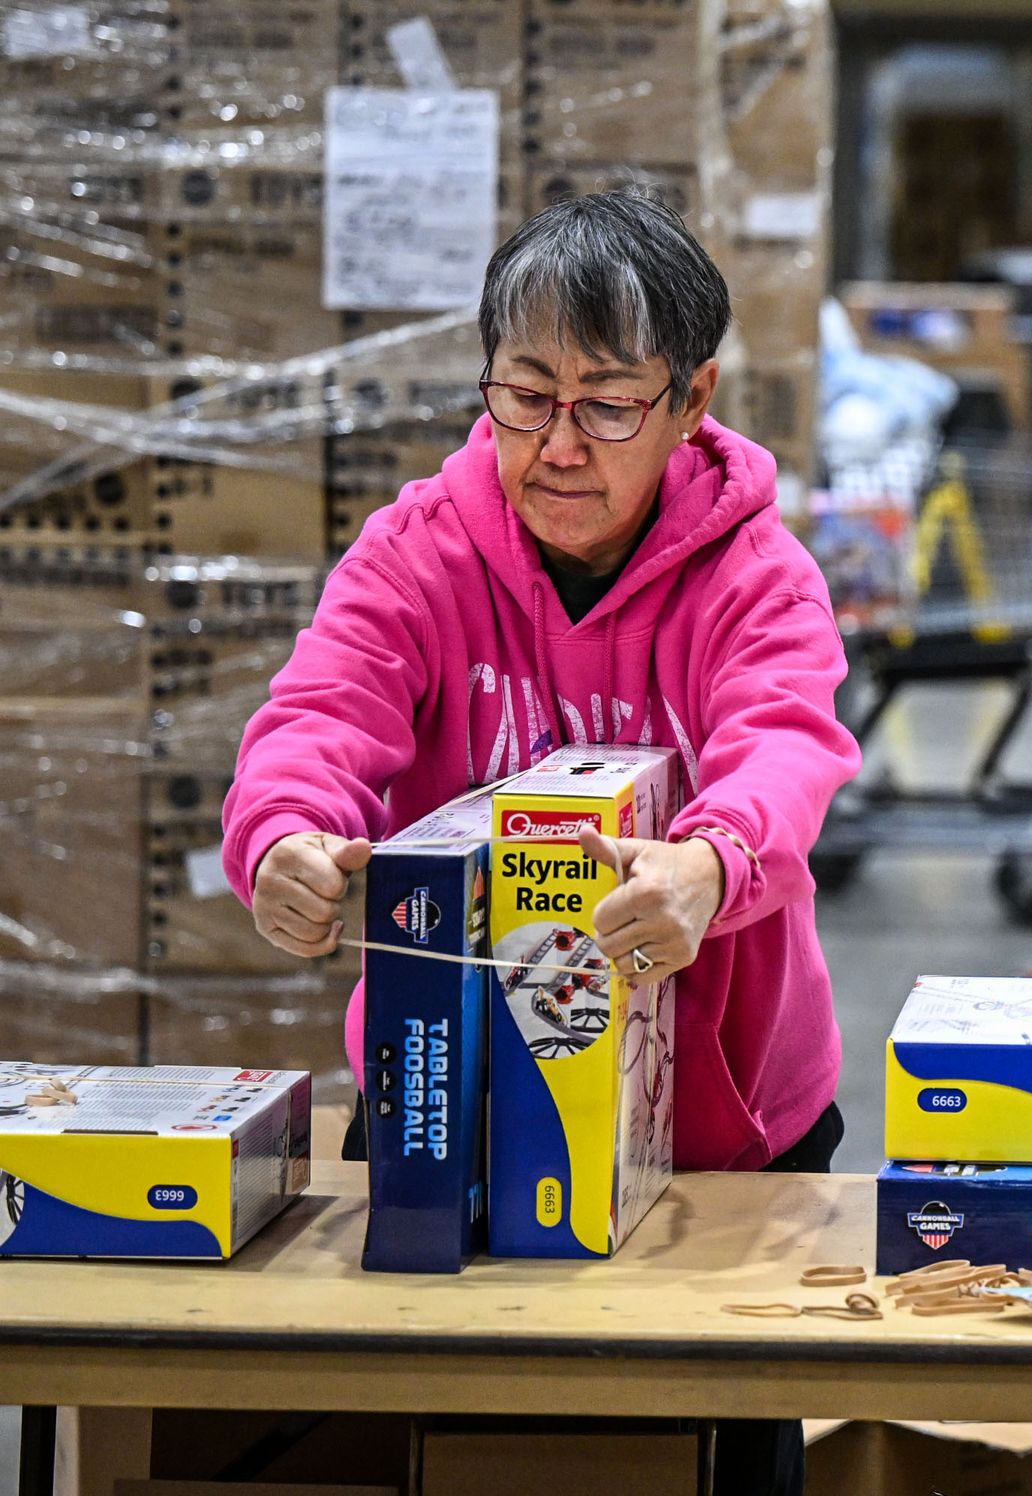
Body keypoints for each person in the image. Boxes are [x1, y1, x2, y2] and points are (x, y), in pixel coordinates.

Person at [221, 190, 857, 1494]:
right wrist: (282, 836)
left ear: (691, 401)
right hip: (453, 1092)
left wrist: (712, 864)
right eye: (527, 396)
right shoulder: (421, 549)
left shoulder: (756, 575)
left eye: (608, 403)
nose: (560, 445)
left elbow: (788, 750)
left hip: (727, 1121)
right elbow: (318, 709)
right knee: (456, 1439)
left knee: (725, 1450)